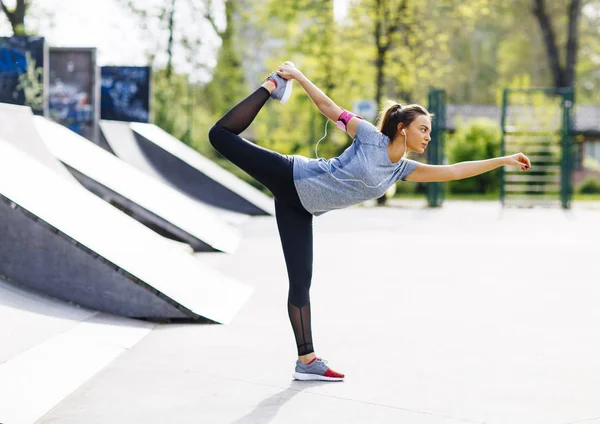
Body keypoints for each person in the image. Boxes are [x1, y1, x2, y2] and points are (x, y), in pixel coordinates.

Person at [208, 61, 531, 382]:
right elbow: (328, 107)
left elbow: (454, 171)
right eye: (423, 129)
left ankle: (306, 360)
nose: (428, 137)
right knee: (220, 135)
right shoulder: (368, 137)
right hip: (291, 175)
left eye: (429, 132)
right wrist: (298, 76)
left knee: (301, 282)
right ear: (403, 129)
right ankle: (271, 87)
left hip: (300, 209)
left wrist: (503, 160)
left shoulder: (401, 169)